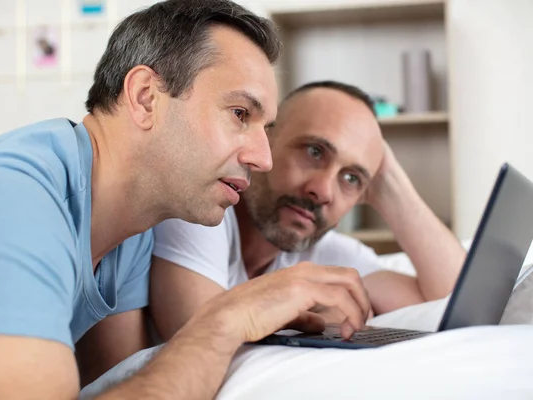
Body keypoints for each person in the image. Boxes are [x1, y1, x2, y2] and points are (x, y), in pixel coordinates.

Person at [0, 2, 375, 399]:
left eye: (264, 127)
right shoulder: (10, 203)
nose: (262, 158)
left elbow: (117, 384)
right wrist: (227, 319)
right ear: (145, 97)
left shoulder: (130, 233)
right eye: (240, 114)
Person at [150, 80, 467, 341]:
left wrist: (391, 186)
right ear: (265, 139)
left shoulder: (324, 252)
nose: (324, 191)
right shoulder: (198, 211)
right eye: (314, 152)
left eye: (351, 178)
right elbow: (201, 347)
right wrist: (305, 315)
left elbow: (460, 304)